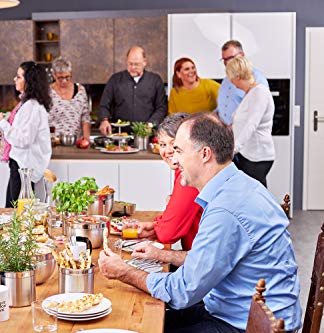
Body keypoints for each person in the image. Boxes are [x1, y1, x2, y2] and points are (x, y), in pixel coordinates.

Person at [98, 113, 301, 332]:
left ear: (205, 154)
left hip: (250, 325)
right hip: (236, 310)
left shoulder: (225, 209)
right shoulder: (240, 185)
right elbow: (204, 263)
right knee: (146, 320)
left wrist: (125, 272)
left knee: (138, 323)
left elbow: (182, 292)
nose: (175, 160)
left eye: (179, 151)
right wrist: (160, 255)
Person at [123, 113, 201, 251]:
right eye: (163, 144)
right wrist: (155, 226)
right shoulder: (184, 170)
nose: (168, 151)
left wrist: (158, 227)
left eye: (174, 144)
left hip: (202, 263)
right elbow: (178, 217)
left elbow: (168, 234)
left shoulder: (189, 174)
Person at [0, 61, 52, 208]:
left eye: (18, 77)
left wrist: (2, 123)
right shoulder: (27, 104)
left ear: (29, 82)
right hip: (22, 165)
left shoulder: (31, 106)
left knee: (14, 213)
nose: (14, 79)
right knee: (16, 210)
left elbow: (24, 139)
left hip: (23, 167)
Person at [226, 56, 275, 187]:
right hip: (247, 154)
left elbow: (251, 124)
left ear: (237, 77)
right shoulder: (251, 93)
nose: (230, 82)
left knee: (256, 197)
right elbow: (241, 123)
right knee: (251, 196)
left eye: (230, 78)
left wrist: (235, 148)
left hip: (257, 156)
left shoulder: (260, 92)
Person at [98, 46, 167, 136]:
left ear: (144, 62)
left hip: (146, 135)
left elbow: (161, 108)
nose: (133, 67)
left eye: (136, 64)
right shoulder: (115, 79)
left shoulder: (155, 80)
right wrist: (104, 120)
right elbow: (104, 104)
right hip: (120, 135)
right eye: (130, 64)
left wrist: (150, 124)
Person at [216, 40, 269, 126]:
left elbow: (257, 115)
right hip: (224, 134)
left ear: (242, 56)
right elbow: (221, 108)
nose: (227, 63)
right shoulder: (225, 80)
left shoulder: (258, 80)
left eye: (230, 58)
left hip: (241, 134)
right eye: (224, 59)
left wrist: (233, 128)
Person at [48, 57, 91, 140]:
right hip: (52, 142)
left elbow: (85, 117)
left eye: (67, 77)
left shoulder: (80, 91)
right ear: (53, 74)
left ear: (71, 73)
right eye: (60, 78)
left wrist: (86, 138)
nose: (64, 81)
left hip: (76, 141)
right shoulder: (47, 92)